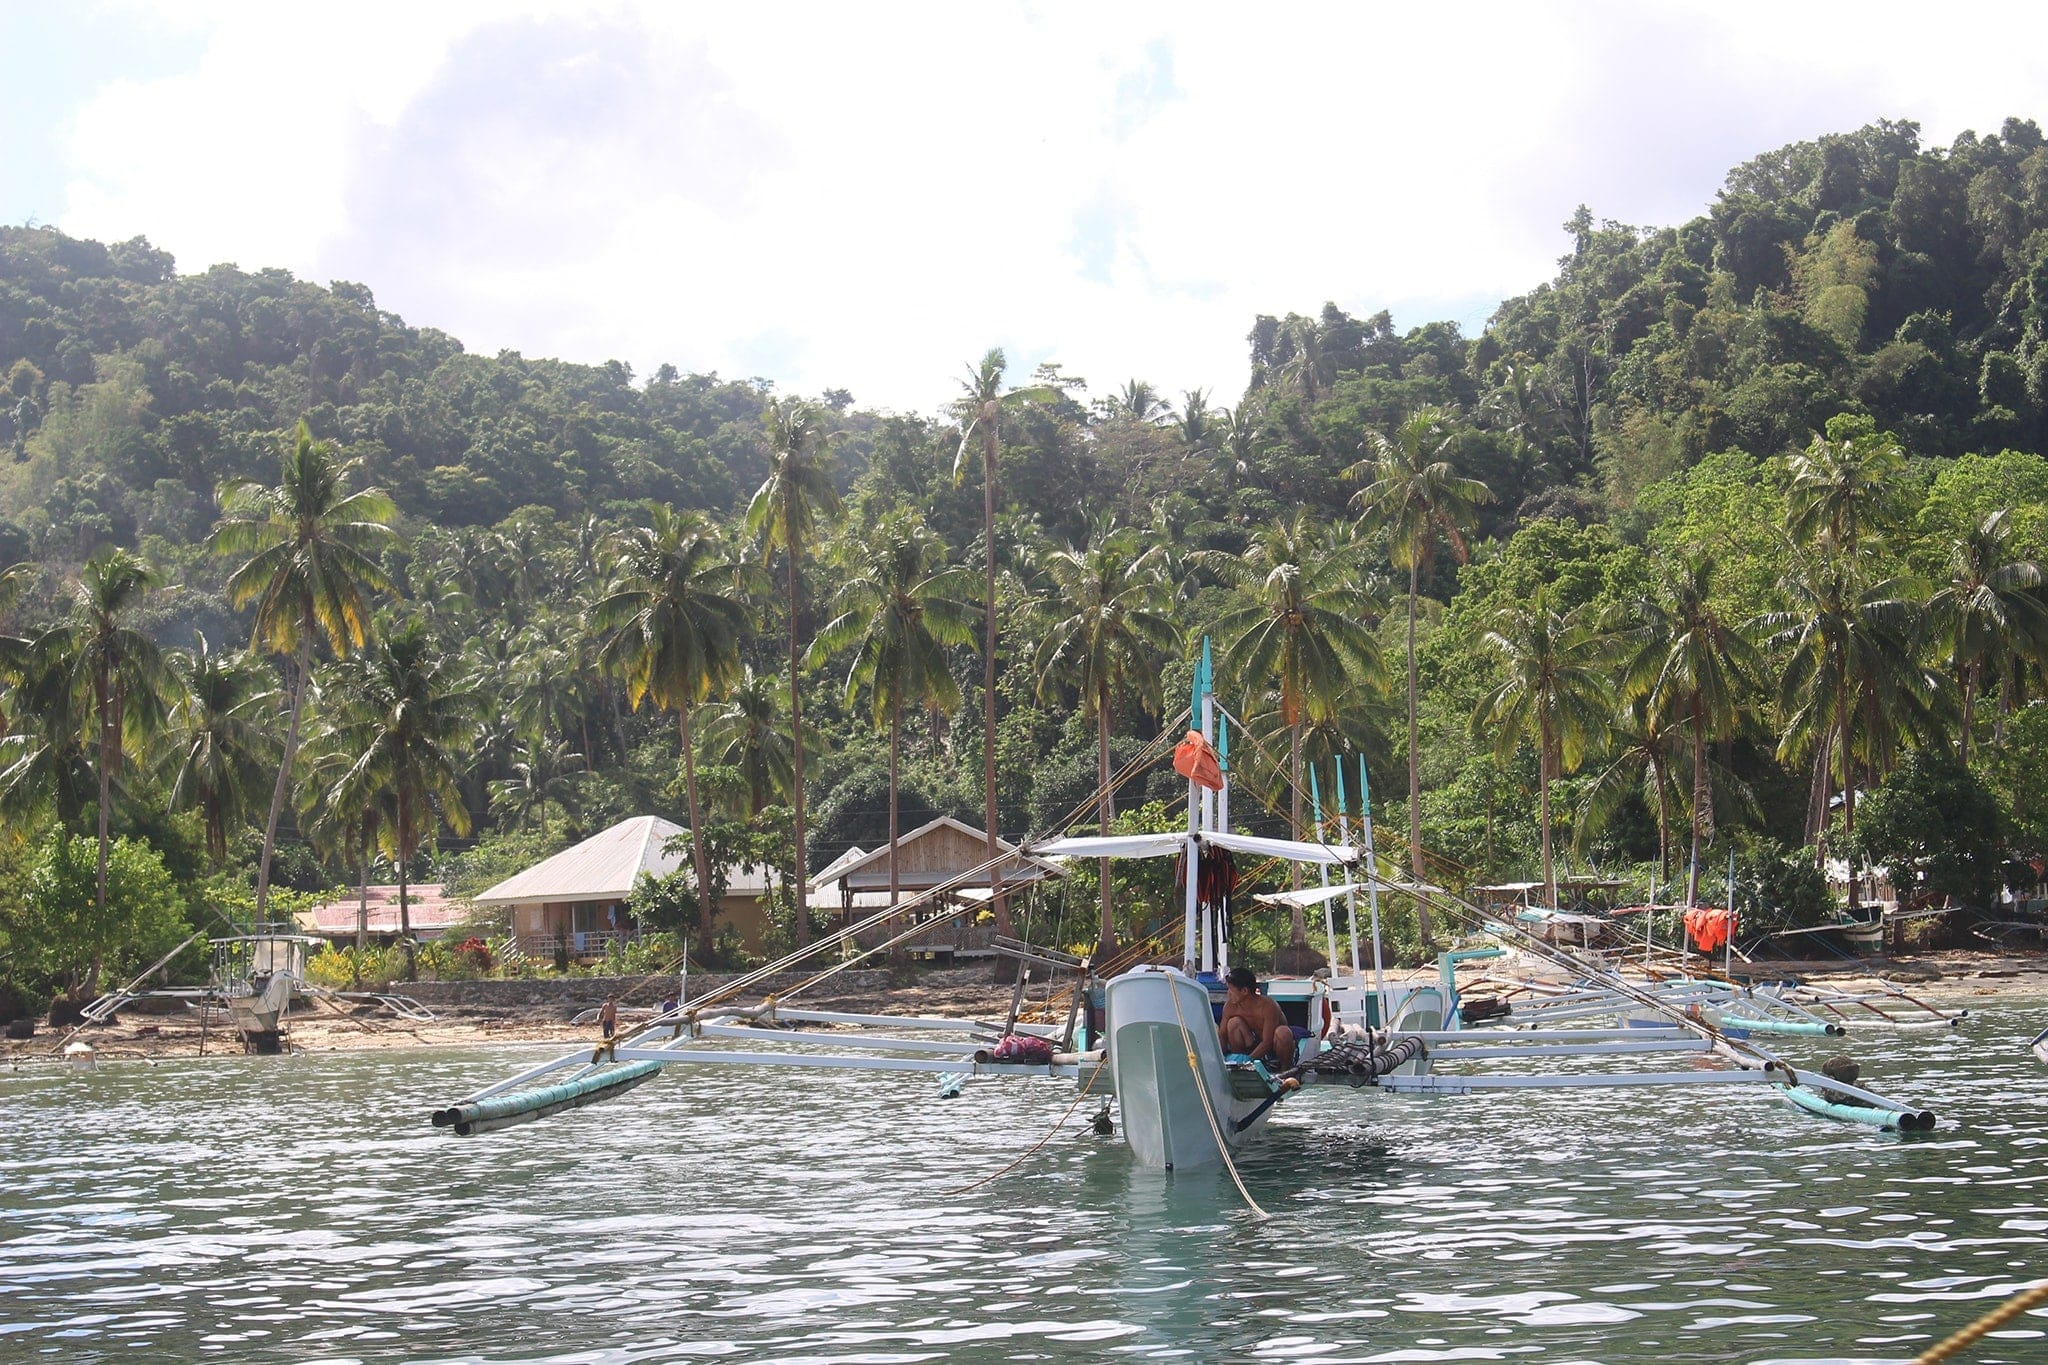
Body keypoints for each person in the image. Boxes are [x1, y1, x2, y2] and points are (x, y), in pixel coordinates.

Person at [1219, 966, 1296, 1068]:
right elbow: (1222, 1035)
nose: (1228, 993)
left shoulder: (1268, 1006)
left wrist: (1249, 1061)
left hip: (1273, 1049)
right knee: (1233, 1023)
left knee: (1283, 1032)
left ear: (1245, 991)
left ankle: (1285, 1071)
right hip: (1251, 1046)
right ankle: (1237, 1066)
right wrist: (1219, 1058)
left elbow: (1267, 1042)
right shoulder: (1230, 1007)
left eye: (1231, 990)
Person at [591, 997, 619, 1063]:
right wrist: (598, 1018)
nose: (610, 1000)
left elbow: (614, 1015)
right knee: (605, 1034)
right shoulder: (605, 1005)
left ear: (613, 1000)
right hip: (605, 1021)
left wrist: (614, 1022)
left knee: (612, 1035)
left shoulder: (614, 1007)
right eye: (609, 999)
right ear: (608, 999)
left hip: (611, 1021)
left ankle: (612, 1051)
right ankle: (605, 1047)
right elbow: (601, 1012)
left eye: (612, 999)